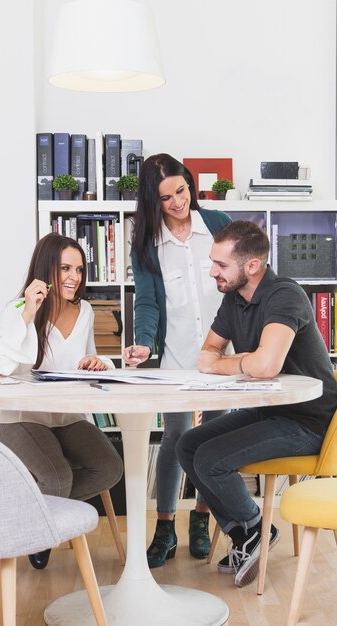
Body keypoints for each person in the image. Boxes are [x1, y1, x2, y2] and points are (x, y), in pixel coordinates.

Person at [175, 220, 337, 587]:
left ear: (251, 266)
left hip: (307, 423)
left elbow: (266, 366)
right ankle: (248, 531)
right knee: (188, 445)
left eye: (220, 265)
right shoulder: (233, 298)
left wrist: (238, 361)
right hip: (269, 411)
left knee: (210, 459)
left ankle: (254, 530)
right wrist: (246, 359)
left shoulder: (285, 295)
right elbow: (207, 355)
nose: (212, 272)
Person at [0, 232, 123, 568]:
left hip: (66, 416)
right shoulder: (17, 309)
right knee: (58, 477)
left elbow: (95, 358)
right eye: (65, 268)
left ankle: (31, 516)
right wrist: (28, 313)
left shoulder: (86, 310)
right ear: (46, 268)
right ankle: (43, 529)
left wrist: (97, 363)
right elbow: (0, 367)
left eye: (78, 269)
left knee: (110, 467)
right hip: (22, 417)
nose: (73, 277)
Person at [122, 154, 231, 567]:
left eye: (181, 191)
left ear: (189, 184)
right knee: (175, 438)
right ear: (153, 201)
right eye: (166, 197)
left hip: (224, 358)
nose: (177, 202)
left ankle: (201, 519)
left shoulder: (218, 223)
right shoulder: (147, 244)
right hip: (176, 358)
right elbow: (148, 303)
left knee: (216, 439)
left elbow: (242, 283)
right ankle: (165, 527)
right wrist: (144, 344)